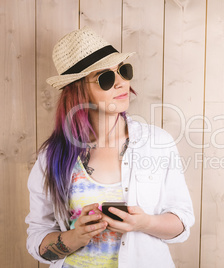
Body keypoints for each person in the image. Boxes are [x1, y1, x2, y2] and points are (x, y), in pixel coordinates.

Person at [25, 27, 194, 268]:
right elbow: (38, 241)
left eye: (123, 71)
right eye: (105, 78)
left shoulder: (158, 143)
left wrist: (144, 223)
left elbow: (182, 223)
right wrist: (73, 237)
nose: (120, 83)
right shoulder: (52, 156)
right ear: (79, 91)